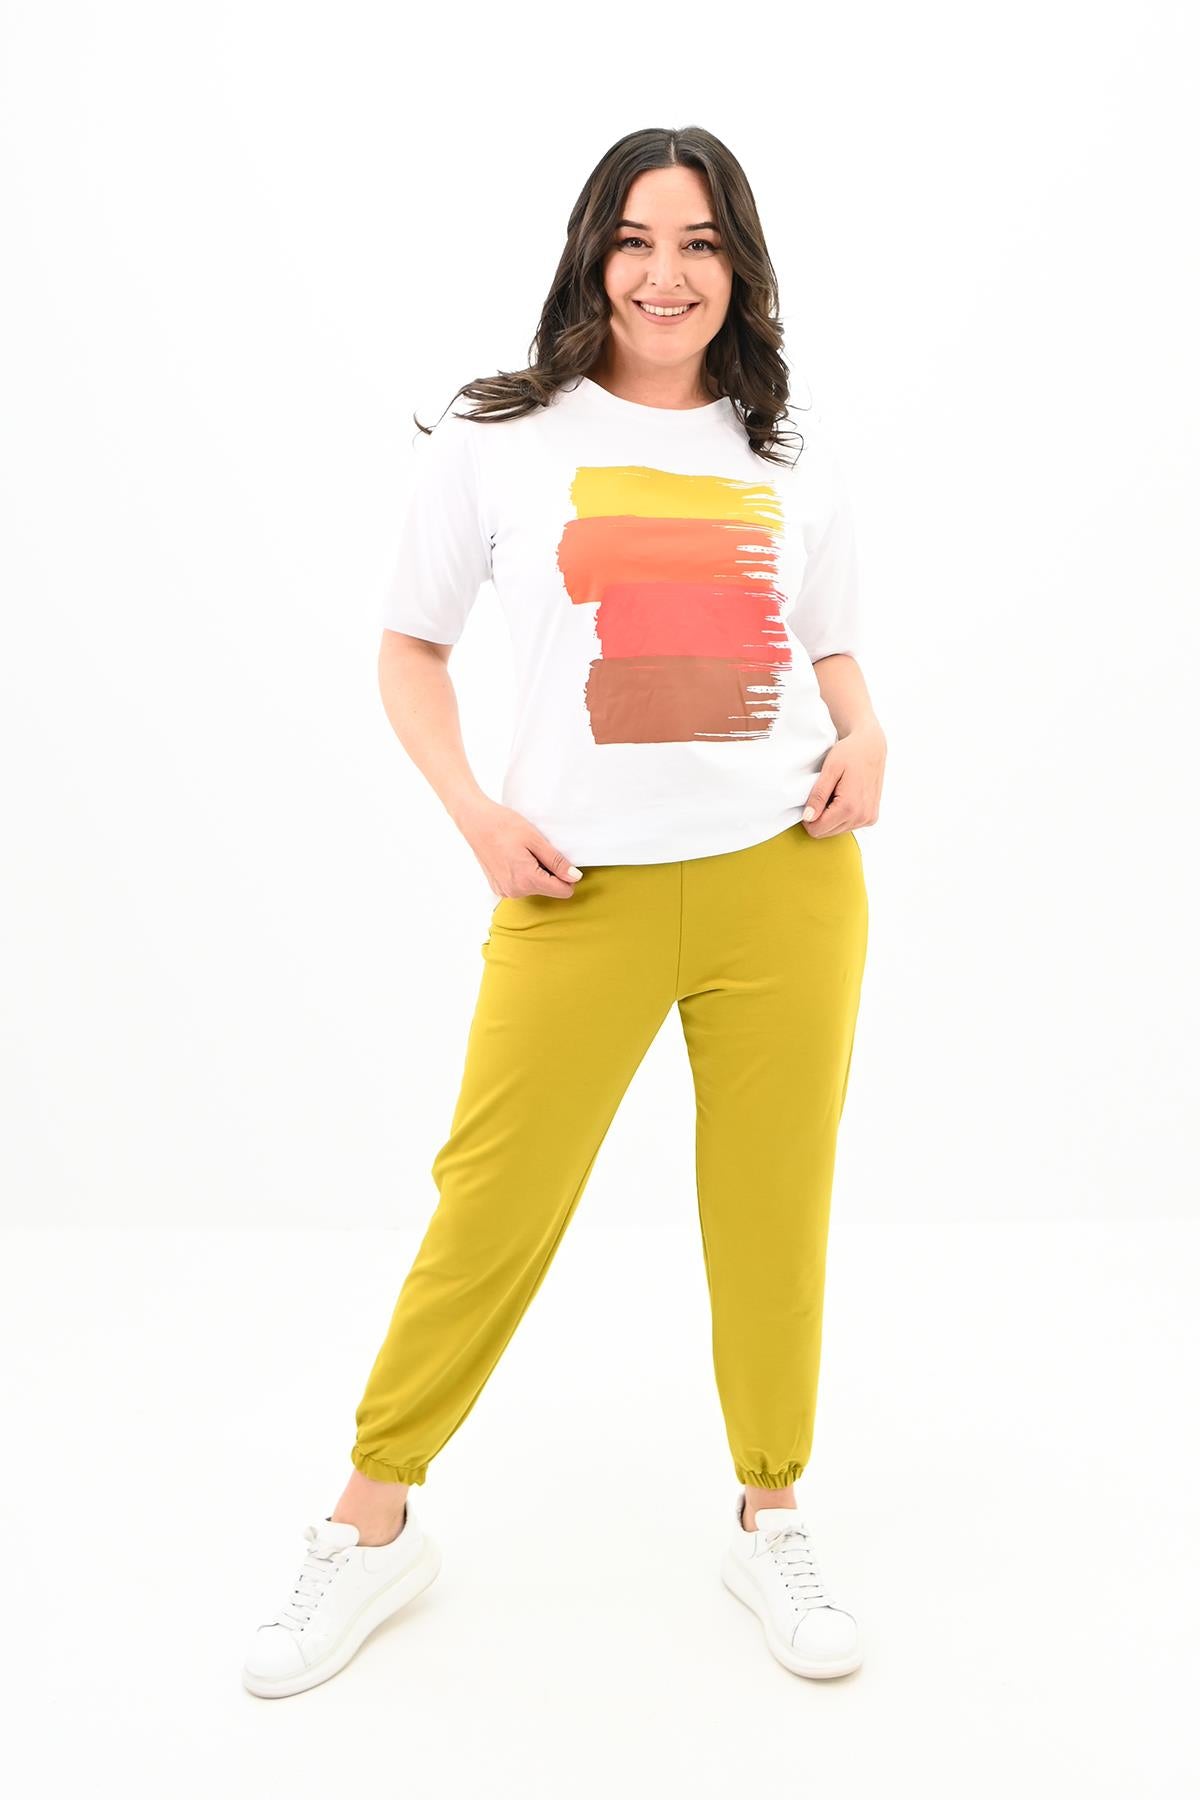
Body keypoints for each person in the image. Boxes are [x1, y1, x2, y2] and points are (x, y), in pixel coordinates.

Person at [242, 124, 886, 1700]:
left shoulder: (785, 451)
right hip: (575, 892)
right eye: (637, 239)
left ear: (739, 266)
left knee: (773, 1207)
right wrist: (476, 811)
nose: (667, 274)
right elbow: (409, 646)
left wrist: (869, 733)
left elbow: (830, 646)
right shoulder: (500, 437)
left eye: (701, 242)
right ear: (592, 253)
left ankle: (773, 1512)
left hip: (786, 883)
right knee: (492, 1202)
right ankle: (372, 1521)